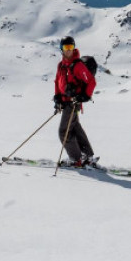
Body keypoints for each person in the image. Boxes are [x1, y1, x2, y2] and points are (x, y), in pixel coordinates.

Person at [53, 35, 97, 167]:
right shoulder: (61, 65)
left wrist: (85, 96)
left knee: (63, 131)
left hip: (73, 103)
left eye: (71, 47)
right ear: (61, 49)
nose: (68, 50)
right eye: (66, 47)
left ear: (74, 48)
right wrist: (57, 98)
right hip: (65, 102)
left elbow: (91, 81)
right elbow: (57, 82)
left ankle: (76, 159)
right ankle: (87, 155)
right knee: (75, 128)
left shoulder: (77, 65)